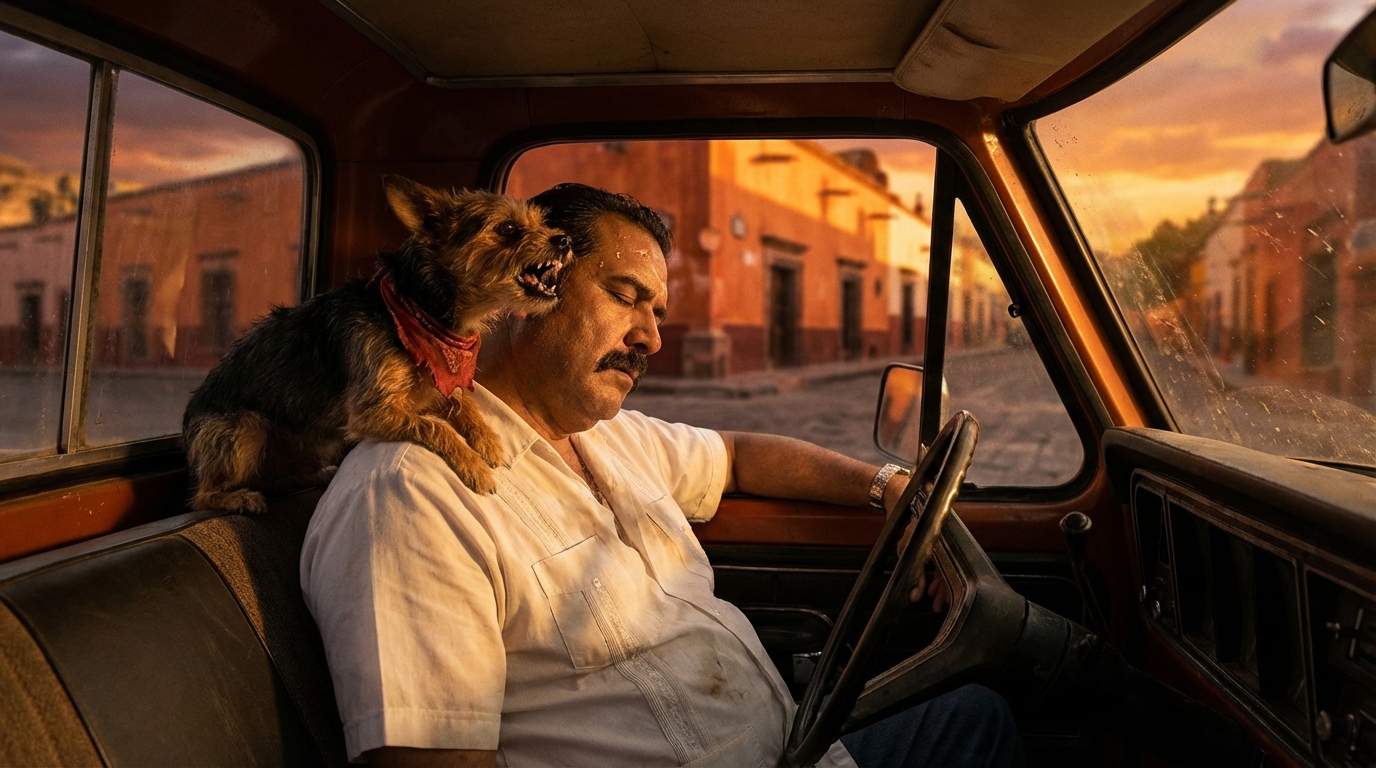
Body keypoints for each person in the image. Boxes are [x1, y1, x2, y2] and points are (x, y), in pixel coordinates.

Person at [300, 183, 1025, 767]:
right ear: (533, 284)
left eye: (658, 311)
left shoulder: (612, 437)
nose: (650, 337)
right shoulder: (409, 494)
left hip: (799, 745)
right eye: (624, 296)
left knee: (979, 716)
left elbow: (739, 455)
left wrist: (891, 489)